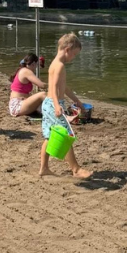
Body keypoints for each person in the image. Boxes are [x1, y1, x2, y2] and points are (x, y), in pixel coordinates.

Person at [39, 33, 92, 179]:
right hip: (53, 104)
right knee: (67, 135)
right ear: (67, 49)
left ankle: (44, 168)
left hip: (48, 103)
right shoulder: (60, 65)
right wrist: (57, 105)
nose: (73, 58)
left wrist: (77, 101)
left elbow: (64, 87)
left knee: (50, 137)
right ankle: (76, 169)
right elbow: (54, 87)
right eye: (74, 54)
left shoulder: (55, 63)